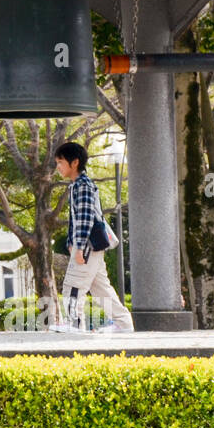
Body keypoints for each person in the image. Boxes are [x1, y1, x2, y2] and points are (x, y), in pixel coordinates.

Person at [53, 141, 134, 333]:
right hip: (89, 246)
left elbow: (85, 218)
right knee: (101, 289)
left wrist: (79, 246)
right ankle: (124, 324)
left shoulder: (82, 186)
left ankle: (74, 325)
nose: (58, 167)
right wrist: (71, 243)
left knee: (73, 285)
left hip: (87, 246)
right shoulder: (78, 185)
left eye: (60, 162)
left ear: (74, 163)